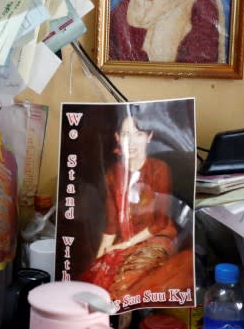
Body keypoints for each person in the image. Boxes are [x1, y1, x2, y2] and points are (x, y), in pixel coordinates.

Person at [80, 108, 187, 296]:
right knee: (94, 278)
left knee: (122, 284)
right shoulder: (113, 174)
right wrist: (99, 259)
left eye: (138, 134)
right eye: (126, 134)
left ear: (149, 136)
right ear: (117, 138)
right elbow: (111, 225)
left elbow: (160, 223)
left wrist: (123, 246)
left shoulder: (159, 169)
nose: (132, 141)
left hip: (157, 238)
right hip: (126, 242)